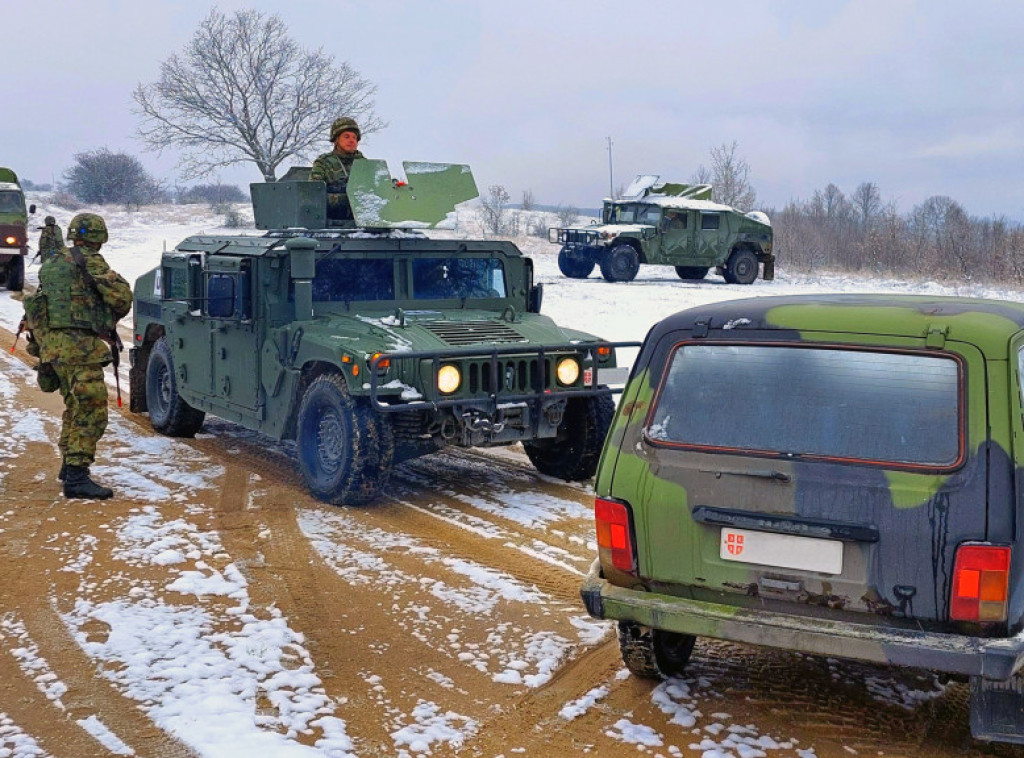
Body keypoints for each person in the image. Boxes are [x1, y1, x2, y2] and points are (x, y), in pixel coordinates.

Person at [35, 213, 132, 499]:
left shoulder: (52, 262)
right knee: (91, 411)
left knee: (74, 405)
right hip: (79, 348)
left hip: (53, 347)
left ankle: (68, 466)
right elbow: (121, 299)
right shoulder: (90, 261)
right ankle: (76, 477)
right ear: (99, 237)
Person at [310, 117, 365, 222]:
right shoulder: (323, 163)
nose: (351, 140)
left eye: (354, 137)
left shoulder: (365, 165)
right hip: (333, 222)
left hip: (362, 222)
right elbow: (314, 196)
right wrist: (344, 200)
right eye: (346, 137)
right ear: (336, 140)